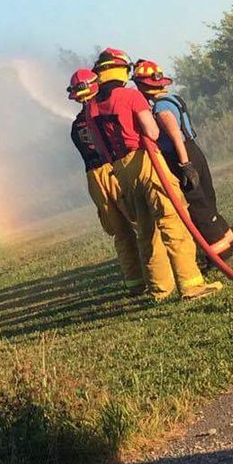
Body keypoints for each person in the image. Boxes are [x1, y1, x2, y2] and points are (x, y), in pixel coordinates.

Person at [84, 48, 222, 302]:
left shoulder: (90, 108)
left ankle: (160, 289)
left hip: (121, 171)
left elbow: (100, 147)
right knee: (172, 220)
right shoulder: (131, 96)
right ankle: (191, 285)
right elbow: (152, 131)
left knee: (146, 231)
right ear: (121, 70)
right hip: (146, 161)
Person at [131, 58, 233, 264]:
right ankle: (231, 245)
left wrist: (185, 165)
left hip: (181, 154)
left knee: (198, 207)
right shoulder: (174, 99)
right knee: (208, 202)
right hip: (193, 150)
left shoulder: (161, 108)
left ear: (144, 85)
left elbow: (173, 134)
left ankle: (221, 257)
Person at [67, 67, 147, 296]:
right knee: (142, 222)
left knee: (120, 232)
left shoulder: (76, 125)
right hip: (113, 170)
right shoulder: (99, 114)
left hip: (93, 178)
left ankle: (134, 282)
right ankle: (156, 274)